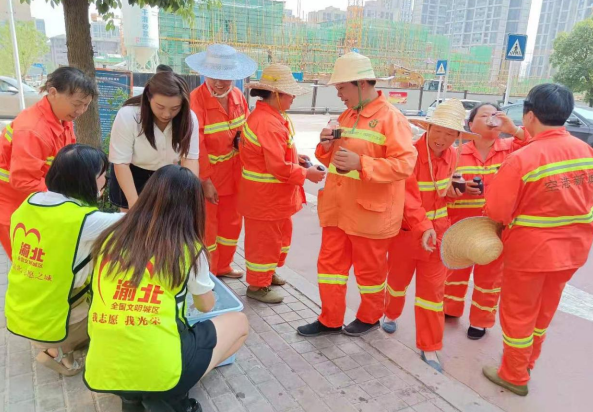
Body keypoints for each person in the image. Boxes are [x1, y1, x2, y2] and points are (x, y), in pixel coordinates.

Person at [84, 165, 249, 412]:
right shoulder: (188, 248)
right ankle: (171, 392)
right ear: (192, 206)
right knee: (239, 323)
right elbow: (206, 305)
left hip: (104, 365)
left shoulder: (109, 237)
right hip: (159, 366)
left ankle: (132, 396)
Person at [482, 84, 593, 396]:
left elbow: (497, 210)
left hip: (531, 253)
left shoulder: (522, 159)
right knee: (544, 312)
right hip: (573, 251)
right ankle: (528, 361)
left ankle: (514, 375)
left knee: (518, 314)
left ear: (529, 115)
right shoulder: (585, 151)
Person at [297, 52, 416, 337]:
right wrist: (324, 146)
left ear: (362, 83)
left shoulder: (391, 119)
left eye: (342, 88)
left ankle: (370, 316)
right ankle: (330, 319)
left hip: (369, 214)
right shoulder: (347, 116)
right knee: (329, 268)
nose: (339, 95)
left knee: (369, 273)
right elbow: (332, 160)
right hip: (338, 211)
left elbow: (405, 165)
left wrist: (362, 164)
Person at [5, 144, 122, 376]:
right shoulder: (85, 221)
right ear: (86, 180)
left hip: (21, 312)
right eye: (103, 175)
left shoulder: (30, 203)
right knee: (121, 308)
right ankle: (64, 351)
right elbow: (139, 221)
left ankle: (55, 344)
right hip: (59, 321)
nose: (105, 181)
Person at [382, 100, 477, 372]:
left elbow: (441, 192)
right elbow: (407, 198)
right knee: (397, 281)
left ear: (457, 137)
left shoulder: (453, 157)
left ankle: (430, 346)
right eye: (439, 130)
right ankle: (390, 313)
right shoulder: (409, 154)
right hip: (406, 234)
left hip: (438, 237)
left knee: (432, 294)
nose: (443, 139)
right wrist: (424, 228)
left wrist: (453, 193)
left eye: (451, 134)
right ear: (429, 127)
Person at [239, 64, 325, 303]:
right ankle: (257, 286)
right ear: (276, 94)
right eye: (290, 92)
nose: (293, 97)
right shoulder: (268, 122)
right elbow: (276, 166)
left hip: (270, 198)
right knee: (264, 243)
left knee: (275, 239)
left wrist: (296, 159)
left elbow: (272, 155)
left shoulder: (271, 117)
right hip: (265, 198)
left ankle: (265, 274)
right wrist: (307, 174)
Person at [443, 103, 529, 340]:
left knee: (489, 276)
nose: (491, 119)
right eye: (484, 115)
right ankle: (450, 308)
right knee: (456, 271)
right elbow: (441, 183)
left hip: (495, 227)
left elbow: (538, 144)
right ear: (470, 125)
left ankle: (480, 321)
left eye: (495, 115)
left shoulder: (513, 148)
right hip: (461, 224)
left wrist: (514, 130)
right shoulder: (456, 152)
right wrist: (457, 189)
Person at [0, 67, 96, 258]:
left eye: (86, 105)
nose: (81, 111)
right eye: (77, 104)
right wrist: (66, 194)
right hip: (17, 211)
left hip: (39, 206)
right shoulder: (33, 130)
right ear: (53, 92)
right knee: (30, 271)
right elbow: (23, 181)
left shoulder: (61, 118)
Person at [186, 44, 257, 279]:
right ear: (205, 73)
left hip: (236, 175)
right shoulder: (196, 101)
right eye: (215, 76)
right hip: (210, 178)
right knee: (208, 229)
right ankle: (208, 272)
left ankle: (224, 266)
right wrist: (204, 180)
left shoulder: (237, 96)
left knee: (232, 225)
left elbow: (246, 130)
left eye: (225, 78)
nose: (220, 83)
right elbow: (197, 145)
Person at [109, 71, 199, 210]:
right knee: (134, 227)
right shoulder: (128, 115)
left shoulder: (189, 118)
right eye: (160, 107)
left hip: (167, 177)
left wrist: (188, 196)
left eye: (175, 108)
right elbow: (121, 163)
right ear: (148, 97)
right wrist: (134, 205)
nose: (167, 114)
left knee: (166, 225)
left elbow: (190, 159)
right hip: (132, 175)